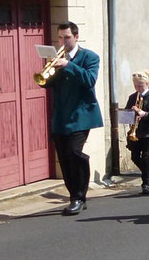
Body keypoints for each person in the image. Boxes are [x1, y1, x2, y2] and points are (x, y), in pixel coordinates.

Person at [44, 21, 104, 216]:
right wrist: (49, 70)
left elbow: (89, 80)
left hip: (81, 115)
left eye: (67, 37)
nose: (63, 41)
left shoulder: (90, 57)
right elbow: (46, 84)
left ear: (76, 37)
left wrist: (68, 65)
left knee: (74, 152)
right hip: (61, 115)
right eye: (60, 37)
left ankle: (78, 196)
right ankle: (74, 196)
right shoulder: (56, 58)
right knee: (64, 157)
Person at [125, 71, 149, 195]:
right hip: (136, 131)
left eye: (140, 85)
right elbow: (126, 115)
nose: (138, 88)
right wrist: (128, 113)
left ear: (147, 84)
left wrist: (144, 113)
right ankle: (147, 171)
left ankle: (145, 183)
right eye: (136, 85)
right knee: (134, 157)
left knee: (145, 156)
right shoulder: (132, 97)